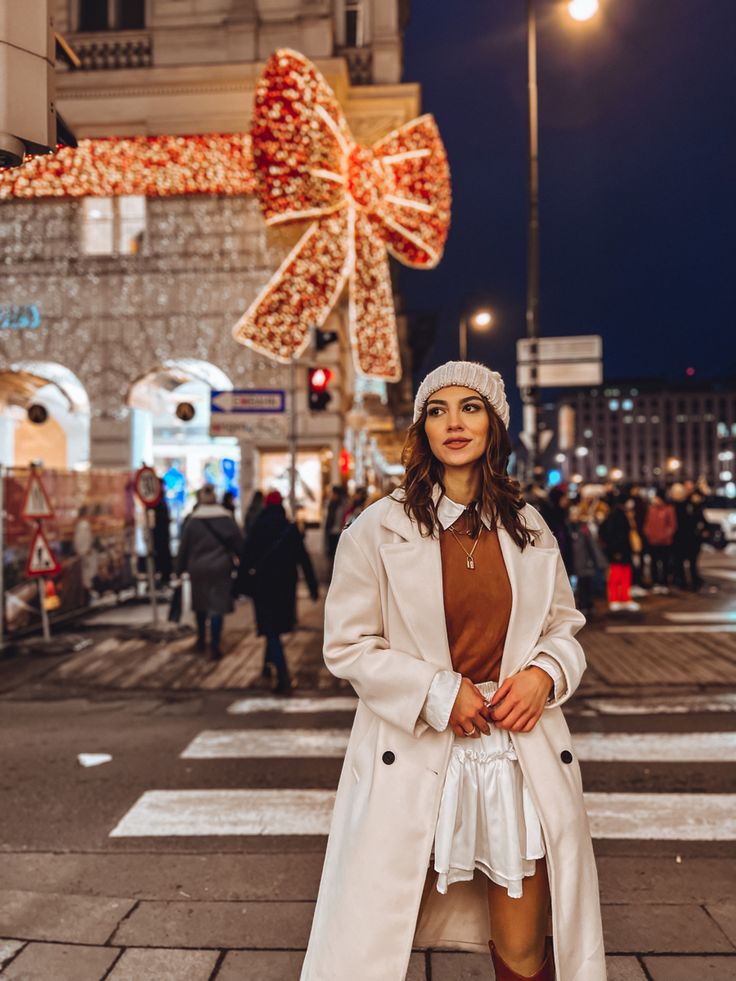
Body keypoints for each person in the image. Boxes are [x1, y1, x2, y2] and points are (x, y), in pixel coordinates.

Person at [302, 362, 605, 981]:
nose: (454, 422)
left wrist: (544, 673)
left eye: (470, 407)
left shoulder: (529, 526)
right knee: (371, 946)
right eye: (437, 410)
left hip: (516, 757)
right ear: (423, 431)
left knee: (523, 944)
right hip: (416, 752)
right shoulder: (375, 529)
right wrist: (437, 694)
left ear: (493, 423)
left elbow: (564, 627)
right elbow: (349, 646)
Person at [241, 490, 319, 695]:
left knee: (270, 629)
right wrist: (312, 587)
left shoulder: (258, 526)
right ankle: (268, 668)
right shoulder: (289, 528)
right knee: (273, 628)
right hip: (285, 588)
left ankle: (282, 676)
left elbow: (246, 556)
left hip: (263, 588)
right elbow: (304, 558)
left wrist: (239, 586)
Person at [176, 484, 242, 659]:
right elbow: (239, 544)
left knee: (200, 604)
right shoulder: (226, 519)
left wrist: (178, 569)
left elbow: (184, 548)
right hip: (221, 568)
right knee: (217, 607)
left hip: (198, 569)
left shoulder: (192, 521)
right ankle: (214, 643)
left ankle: (200, 639)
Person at [598, 500, 639, 612]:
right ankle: (622, 599)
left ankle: (616, 599)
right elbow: (625, 535)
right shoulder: (622, 518)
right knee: (622, 576)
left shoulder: (610, 519)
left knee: (616, 577)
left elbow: (603, 534)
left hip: (615, 552)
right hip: (623, 552)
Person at [643, 491, 677, 593]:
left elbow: (672, 526)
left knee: (665, 562)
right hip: (652, 541)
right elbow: (647, 524)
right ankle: (655, 582)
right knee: (653, 563)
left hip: (664, 542)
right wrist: (649, 534)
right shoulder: (651, 509)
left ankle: (664, 582)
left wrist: (664, 536)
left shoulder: (668, 510)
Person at [323, 485, 348, 563]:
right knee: (331, 554)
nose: (331, 495)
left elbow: (342, 518)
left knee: (337, 555)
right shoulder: (330, 504)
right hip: (331, 531)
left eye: (333, 493)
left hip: (339, 532)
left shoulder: (342, 505)